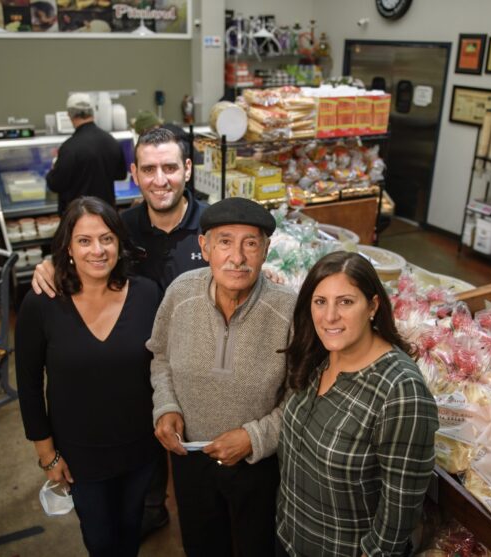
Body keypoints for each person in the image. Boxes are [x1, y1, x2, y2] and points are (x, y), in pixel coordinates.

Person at [31, 126, 208, 536]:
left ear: (187, 168)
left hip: (198, 368)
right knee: (141, 470)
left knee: (195, 478)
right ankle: (149, 508)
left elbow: (247, 252)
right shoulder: (121, 228)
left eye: (169, 167)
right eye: (148, 169)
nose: (159, 179)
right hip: (136, 371)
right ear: (134, 172)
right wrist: (53, 264)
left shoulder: (214, 223)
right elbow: (87, 250)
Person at [148, 196, 297, 556]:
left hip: (258, 464)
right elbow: (160, 356)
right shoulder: (180, 293)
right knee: (201, 545)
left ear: (265, 250)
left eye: (250, 243)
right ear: (205, 246)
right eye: (225, 241)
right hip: (190, 457)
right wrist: (166, 406)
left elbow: (302, 395)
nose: (238, 257)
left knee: (256, 546)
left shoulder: (288, 310)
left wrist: (254, 437)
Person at [15, 196, 162, 557]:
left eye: (107, 239)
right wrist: (47, 455)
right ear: (67, 247)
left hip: (140, 447)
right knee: (99, 538)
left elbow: (166, 366)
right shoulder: (42, 302)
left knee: (130, 530)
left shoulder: (147, 295)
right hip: (81, 456)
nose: (97, 250)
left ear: (119, 244)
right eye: (84, 240)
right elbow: (29, 384)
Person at [276, 251, 439, 557]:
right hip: (290, 538)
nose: (330, 316)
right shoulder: (318, 354)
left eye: (346, 302)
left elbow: (399, 508)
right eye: (320, 301)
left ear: (373, 307)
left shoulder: (400, 392)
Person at [46, 92, 127, 215]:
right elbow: (121, 175)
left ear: (70, 115)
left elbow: (56, 184)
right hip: (107, 213)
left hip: (79, 216)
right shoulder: (111, 141)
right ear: (93, 112)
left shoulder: (69, 147)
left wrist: (53, 169)